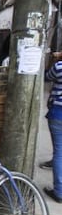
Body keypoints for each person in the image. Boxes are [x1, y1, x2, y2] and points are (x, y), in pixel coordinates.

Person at [43, 51, 62, 203]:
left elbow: (46, 77)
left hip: (58, 113)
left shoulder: (59, 66)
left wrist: (53, 59)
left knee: (59, 151)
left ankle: (59, 191)